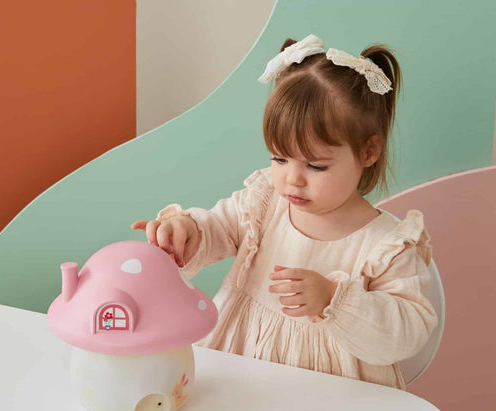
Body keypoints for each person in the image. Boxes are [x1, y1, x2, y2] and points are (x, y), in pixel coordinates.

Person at [131, 34, 438, 391]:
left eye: (315, 166)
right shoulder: (265, 204)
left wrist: (334, 301)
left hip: (337, 401)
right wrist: (186, 231)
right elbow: (220, 226)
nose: (292, 179)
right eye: (279, 158)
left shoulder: (387, 245)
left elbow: (406, 334)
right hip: (245, 378)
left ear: (369, 152)